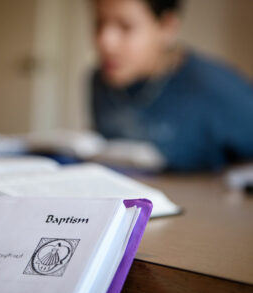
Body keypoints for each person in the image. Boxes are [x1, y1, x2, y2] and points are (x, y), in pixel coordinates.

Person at [91, 0, 253, 171]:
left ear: (167, 27)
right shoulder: (99, 82)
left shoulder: (216, 89)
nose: (105, 41)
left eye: (126, 27)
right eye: (99, 23)